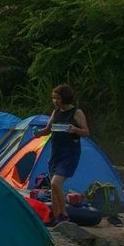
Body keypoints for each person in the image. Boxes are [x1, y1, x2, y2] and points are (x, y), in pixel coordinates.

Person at [44, 83, 88, 225]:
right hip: (55, 152)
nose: (55, 101)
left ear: (65, 98)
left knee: (55, 183)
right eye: (53, 98)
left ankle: (63, 214)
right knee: (53, 188)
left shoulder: (76, 112)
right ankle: (56, 218)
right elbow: (47, 129)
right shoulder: (55, 112)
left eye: (58, 98)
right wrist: (38, 133)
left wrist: (74, 129)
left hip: (70, 153)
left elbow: (86, 132)